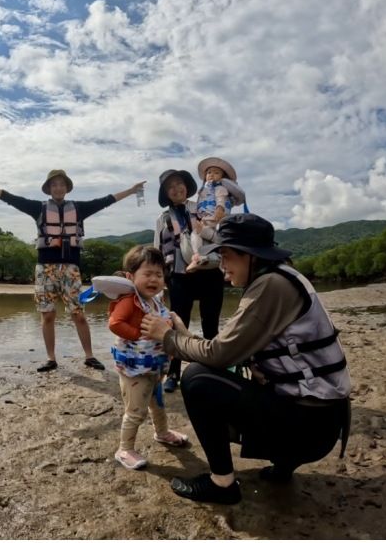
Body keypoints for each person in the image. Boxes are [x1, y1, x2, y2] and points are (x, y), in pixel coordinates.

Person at [141, 213, 352, 505]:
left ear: (250, 256)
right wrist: (184, 334)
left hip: (310, 427)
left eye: (227, 256)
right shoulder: (284, 275)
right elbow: (229, 349)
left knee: (197, 379)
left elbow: (218, 354)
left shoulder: (270, 285)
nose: (223, 266)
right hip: (321, 419)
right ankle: (283, 466)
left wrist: (167, 338)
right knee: (221, 375)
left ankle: (222, 484)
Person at [0, 169, 145, 372]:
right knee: (48, 315)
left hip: (71, 268)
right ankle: (51, 358)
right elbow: (9, 198)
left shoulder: (79, 208)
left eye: (61, 184)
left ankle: (89, 356)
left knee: (78, 314)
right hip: (45, 268)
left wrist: (132, 191)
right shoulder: (38, 208)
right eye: (54, 184)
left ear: (67, 187)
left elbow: (106, 200)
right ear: (49, 189)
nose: (58, 188)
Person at [105, 246, 189, 470]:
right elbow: (114, 323)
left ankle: (162, 433)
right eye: (147, 274)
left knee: (158, 406)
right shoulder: (129, 301)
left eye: (159, 275)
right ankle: (124, 449)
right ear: (131, 277)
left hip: (154, 368)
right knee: (135, 411)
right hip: (134, 371)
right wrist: (136, 334)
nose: (154, 279)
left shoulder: (156, 301)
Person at [153, 169, 225, 393]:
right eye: (170, 187)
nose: (176, 189)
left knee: (210, 322)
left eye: (179, 183)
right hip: (179, 277)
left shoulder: (204, 207)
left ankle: (212, 369)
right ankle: (174, 371)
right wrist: (157, 284)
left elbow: (221, 238)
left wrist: (206, 231)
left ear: (186, 185)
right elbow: (157, 251)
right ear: (166, 193)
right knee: (176, 324)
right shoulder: (162, 219)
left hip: (210, 272)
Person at [186, 157, 240, 273]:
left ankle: (197, 256)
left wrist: (219, 208)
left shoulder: (220, 188)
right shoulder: (203, 191)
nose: (211, 175)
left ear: (222, 177)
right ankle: (199, 256)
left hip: (217, 221)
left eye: (216, 173)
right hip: (207, 222)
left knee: (199, 233)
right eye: (209, 172)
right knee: (198, 232)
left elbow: (221, 199)